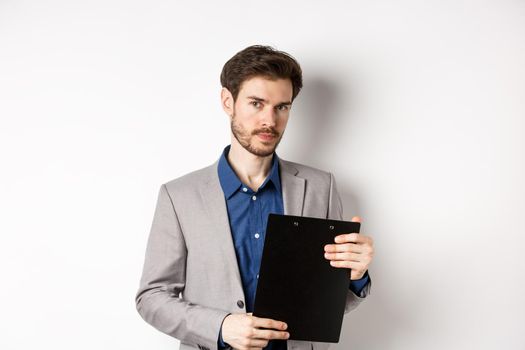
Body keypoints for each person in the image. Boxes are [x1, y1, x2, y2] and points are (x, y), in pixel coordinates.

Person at [135, 45, 374, 350]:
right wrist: (221, 328)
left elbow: (327, 304)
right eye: (256, 103)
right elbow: (151, 298)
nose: (269, 121)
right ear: (227, 101)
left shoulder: (320, 187)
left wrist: (356, 276)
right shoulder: (178, 196)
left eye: (282, 107)